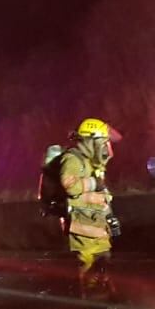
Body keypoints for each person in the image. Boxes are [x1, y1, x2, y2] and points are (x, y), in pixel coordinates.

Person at [59, 118, 121, 296]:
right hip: (81, 225)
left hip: (96, 224)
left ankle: (104, 295)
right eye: (103, 143)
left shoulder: (92, 163)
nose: (106, 148)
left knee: (103, 262)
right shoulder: (73, 160)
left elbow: (101, 194)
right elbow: (70, 186)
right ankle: (92, 300)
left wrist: (110, 217)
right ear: (90, 141)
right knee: (89, 265)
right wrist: (94, 182)